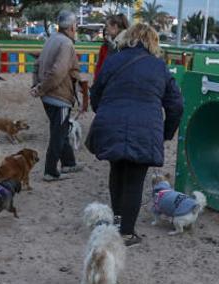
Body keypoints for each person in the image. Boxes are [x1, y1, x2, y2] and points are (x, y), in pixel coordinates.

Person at [88, 23, 183, 247]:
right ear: (153, 42)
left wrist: (105, 112)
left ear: (128, 38)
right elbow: (176, 105)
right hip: (144, 129)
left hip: (111, 124)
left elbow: (96, 92)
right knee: (134, 181)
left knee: (117, 173)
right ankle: (126, 233)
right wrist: (165, 133)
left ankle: (118, 223)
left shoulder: (113, 60)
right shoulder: (159, 67)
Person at [31, 10, 83, 181]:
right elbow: (58, 72)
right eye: (76, 25)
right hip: (58, 97)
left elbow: (37, 64)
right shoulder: (66, 44)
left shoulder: (51, 39)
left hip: (49, 96)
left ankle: (69, 163)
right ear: (72, 26)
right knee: (58, 134)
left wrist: (37, 86)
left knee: (60, 129)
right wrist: (41, 88)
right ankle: (50, 171)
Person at [94, 14, 129, 79]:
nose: (106, 29)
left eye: (107, 26)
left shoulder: (125, 44)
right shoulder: (110, 44)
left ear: (115, 26)